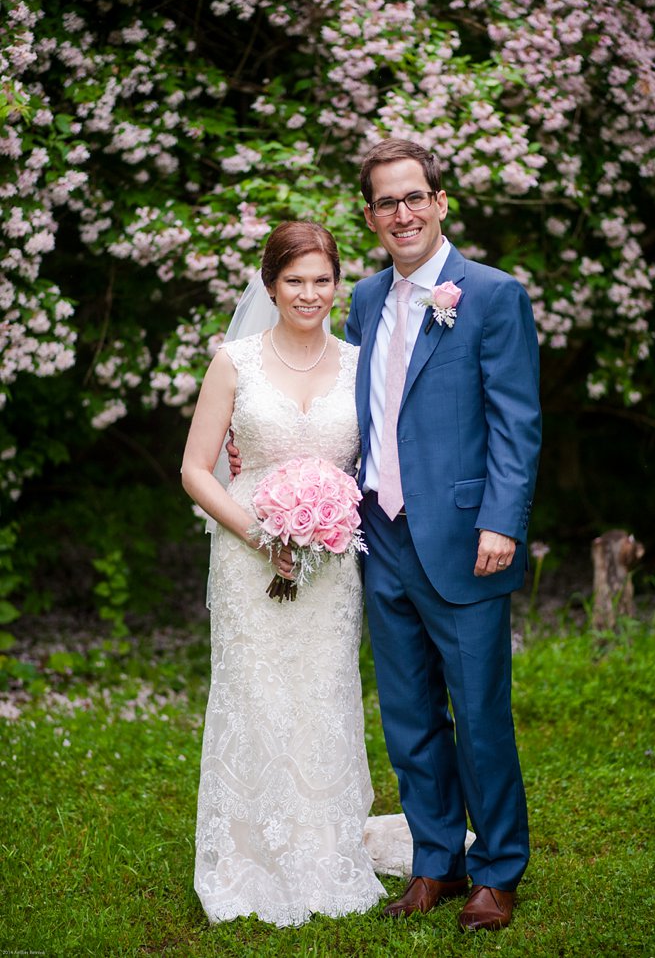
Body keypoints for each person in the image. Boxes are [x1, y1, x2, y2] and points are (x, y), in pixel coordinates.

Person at [346, 138, 541, 931]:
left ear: (441, 201)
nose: (403, 213)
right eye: (387, 202)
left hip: (464, 535)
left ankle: (497, 870)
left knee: (480, 712)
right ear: (371, 217)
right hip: (379, 533)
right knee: (408, 712)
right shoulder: (362, 299)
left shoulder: (490, 295)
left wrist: (503, 517)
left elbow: (516, 421)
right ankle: (436, 862)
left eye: (414, 196)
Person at [181, 221, 386, 926]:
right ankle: (248, 858)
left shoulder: (363, 363)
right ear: (269, 286)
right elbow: (194, 469)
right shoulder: (234, 361)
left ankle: (322, 852)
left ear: (337, 283)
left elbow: (375, 469)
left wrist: (330, 518)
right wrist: (259, 533)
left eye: (321, 279)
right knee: (256, 695)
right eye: (294, 280)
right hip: (246, 558)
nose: (309, 293)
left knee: (323, 694)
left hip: (331, 563)